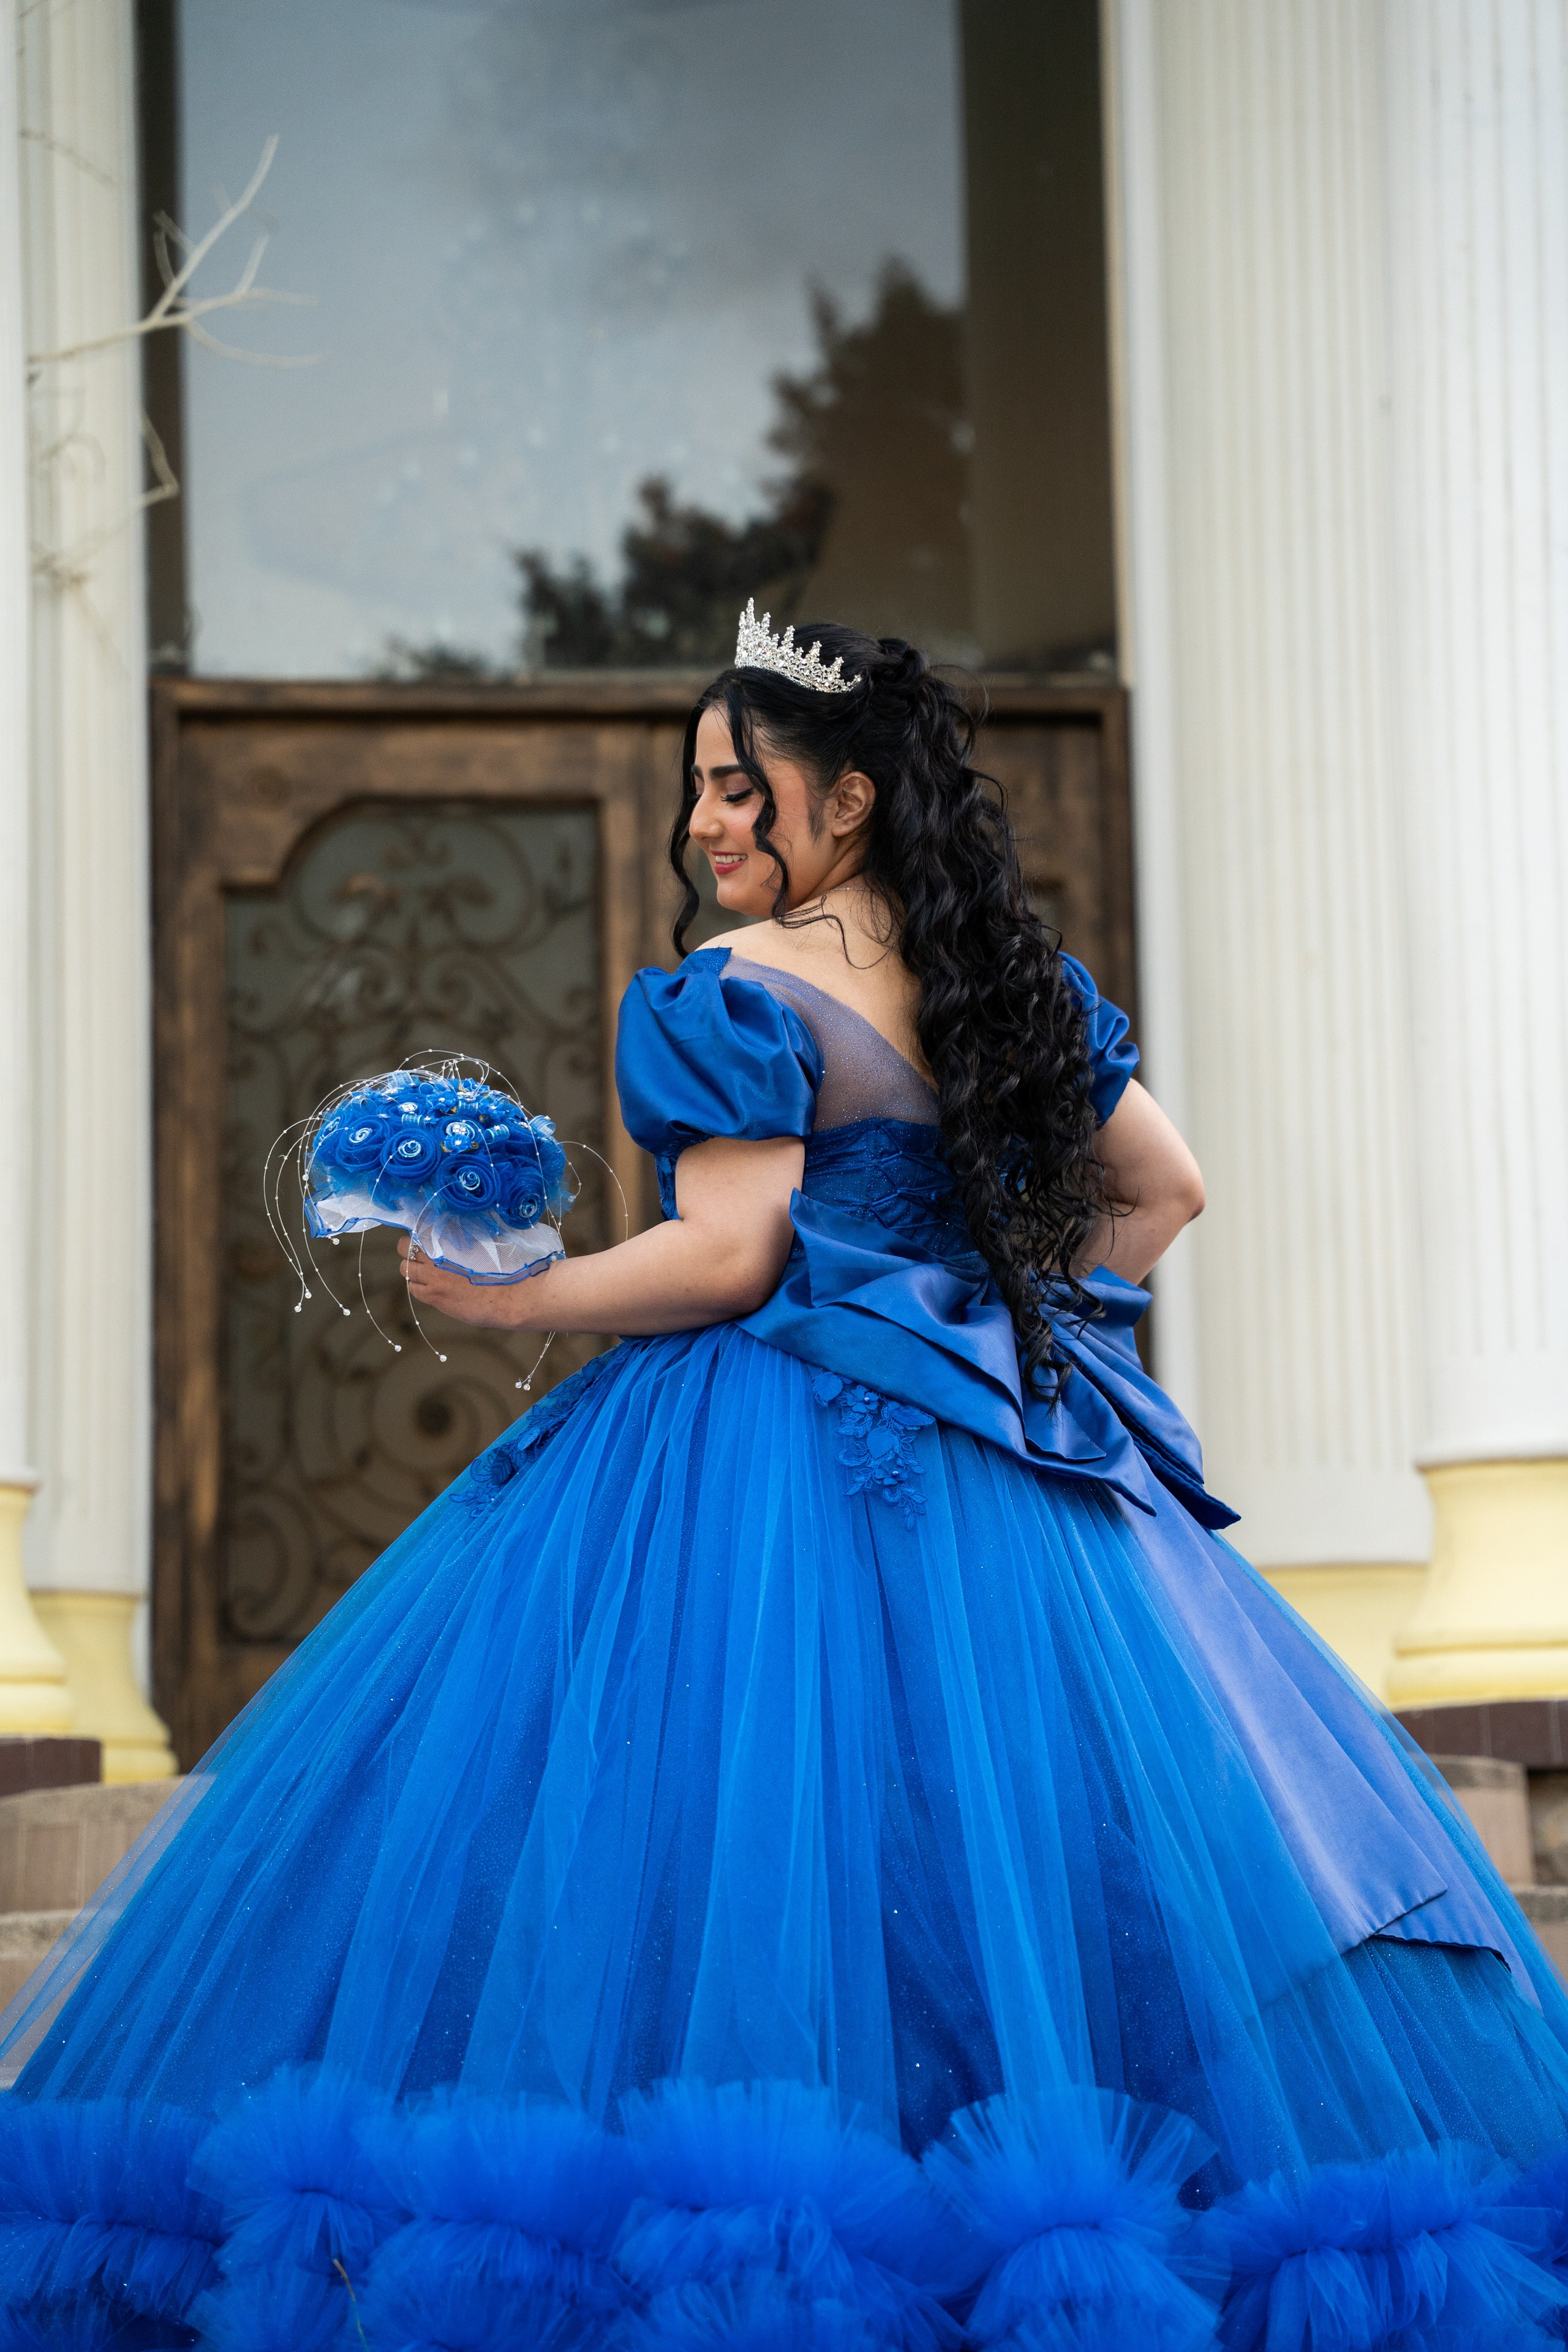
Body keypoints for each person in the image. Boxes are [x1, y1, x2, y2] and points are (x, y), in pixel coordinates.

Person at [4, 615, 1568, 2352]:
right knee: (1010, 1850)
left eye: (741, 789)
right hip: (1005, 1467)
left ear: (851, 797)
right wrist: (996, 1313)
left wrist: (514, 1293)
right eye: (699, 792)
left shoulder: (737, 989)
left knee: (716, 1833)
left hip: (746, 1462)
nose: (708, 825)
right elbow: (1165, 1190)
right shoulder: (1007, 982)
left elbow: (732, 1257)